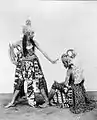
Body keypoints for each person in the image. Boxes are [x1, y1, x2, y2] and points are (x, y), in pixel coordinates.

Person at [5, 18, 59, 108]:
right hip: (23, 66)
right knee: (19, 83)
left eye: (33, 33)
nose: (32, 35)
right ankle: (12, 101)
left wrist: (51, 60)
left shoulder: (34, 43)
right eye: (31, 33)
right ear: (26, 34)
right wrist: (13, 58)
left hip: (34, 65)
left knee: (40, 82)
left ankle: (46, 101)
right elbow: (10, 46)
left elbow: (43, 52)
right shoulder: (19, 43)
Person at [49, 49, 96, 114]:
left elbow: (65, 84)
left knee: (55, 84)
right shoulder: (77, 67)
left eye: (63, 63)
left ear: (66, 62)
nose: (63, 64)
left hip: (72, 91)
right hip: (80, 91)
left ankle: (47, 101)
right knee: (61, 85)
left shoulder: (69, 70)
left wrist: (60, 83)